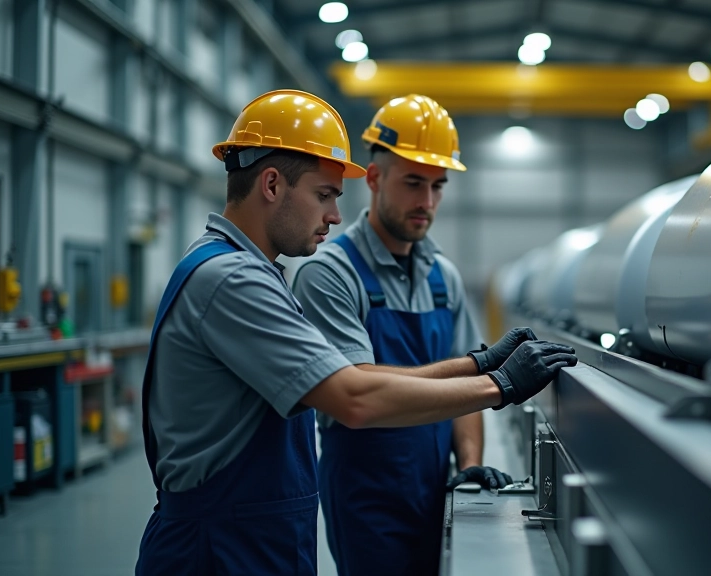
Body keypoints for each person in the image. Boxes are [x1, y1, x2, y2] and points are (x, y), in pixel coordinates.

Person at [135, 89, 577, 576]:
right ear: (271, 184)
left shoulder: (251, 272)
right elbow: (355, 395)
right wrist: (499, 385)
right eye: (324, 196)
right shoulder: (234, 280)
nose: (334, 216)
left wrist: (477, 363)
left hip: (253, 538)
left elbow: (342, 381)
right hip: (220, 549)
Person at [292, 94, 518, 576]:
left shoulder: (445, 278)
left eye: (438, 186)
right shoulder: (331, 273)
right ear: (374, 179)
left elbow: (464, 394)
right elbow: (359, 389)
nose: (427, 202)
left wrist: (469, 464)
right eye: (414, 183)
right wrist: (491, 376)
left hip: (437, 485)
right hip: (367, 496)